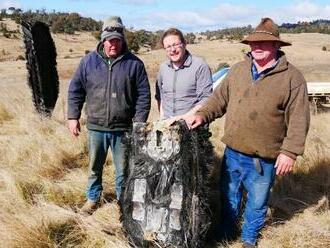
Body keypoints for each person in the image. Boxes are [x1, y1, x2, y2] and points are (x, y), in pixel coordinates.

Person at [183, 18, 310, 247]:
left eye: (263, 42)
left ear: (276, 46)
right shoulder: (238, 70)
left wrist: (290, 152)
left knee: (257, 202)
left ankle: (249, 238)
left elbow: (299, 119)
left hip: (264, 158)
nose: (257, 46)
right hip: (233, 152)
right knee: (229, 196)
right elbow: (218, 100)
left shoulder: (293, 78)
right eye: (253, 42)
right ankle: (227, 232)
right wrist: (202, 115)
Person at [67, 16, 151, 214]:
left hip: (123, 129)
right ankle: (92, 198)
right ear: (103, 40)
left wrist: (139, 123)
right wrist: (73, 117)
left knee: (123, 170)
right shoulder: (88, 62)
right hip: (96, 127)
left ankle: (124, 202)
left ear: (123, 40)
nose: (113, 44)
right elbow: (75, 90)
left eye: (117, 40)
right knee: (94, 168)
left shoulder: (135, 64)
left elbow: (144, 96)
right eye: (110, 40)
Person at [155, 28, 213, 123]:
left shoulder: (200, 66)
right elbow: (160, 96)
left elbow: (206, 98)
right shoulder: (163, 68)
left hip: (192, 126)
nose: (172, 50)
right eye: (168, 47)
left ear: (184, 44)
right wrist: (162, 119)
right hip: (167, 125)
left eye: (176, 45)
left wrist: (183, 118)